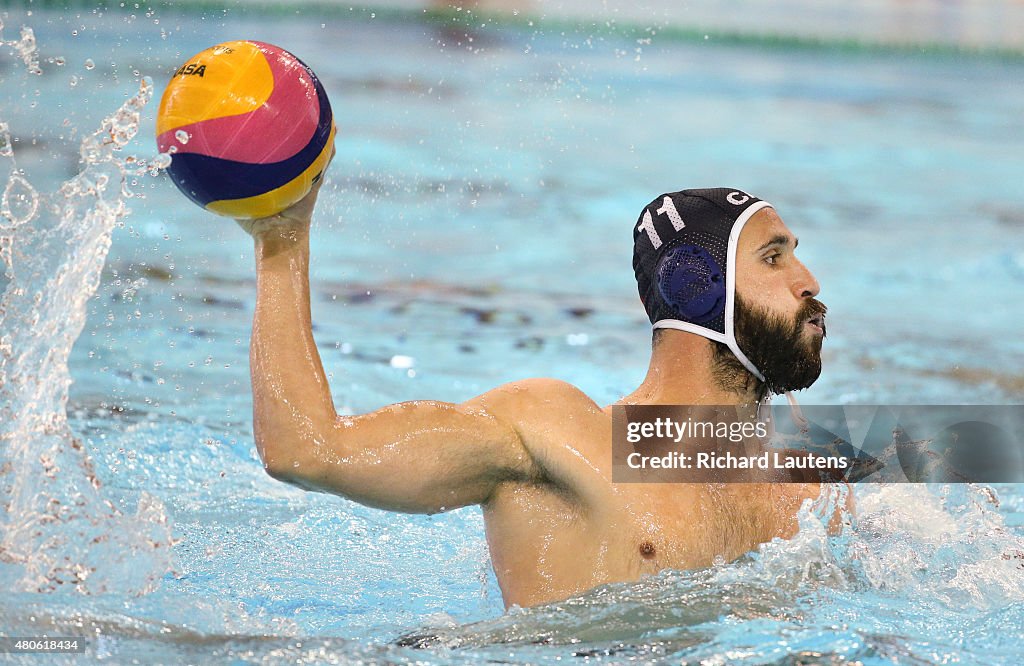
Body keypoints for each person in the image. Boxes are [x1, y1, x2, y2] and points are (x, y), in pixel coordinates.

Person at [236, 165, 845, 609]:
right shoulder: (553, 433)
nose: (809, 281)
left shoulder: (810, 476)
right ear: (696, 287)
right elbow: (306, 449)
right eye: (773, 258)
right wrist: (281, 244)